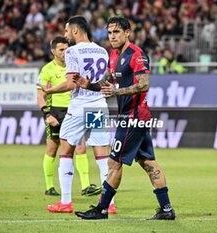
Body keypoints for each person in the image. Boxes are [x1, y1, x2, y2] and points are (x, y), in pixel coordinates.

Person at [73, 16, 176, 220]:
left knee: (114, 163)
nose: (112, 36)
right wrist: (89, 85)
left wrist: (117, 92)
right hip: (133, 116)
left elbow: (144, 84)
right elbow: (106, 81)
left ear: (127, 32)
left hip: (134, 116)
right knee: (149, 164)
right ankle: (166, 210)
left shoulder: (136, 54)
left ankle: (102, 209)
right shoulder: (113, 55)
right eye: (110, 32)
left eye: (117, 32)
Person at [38, 16, 116, 214]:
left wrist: (50, 91)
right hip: (99, 105)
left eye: (66, 31)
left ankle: (65, 202)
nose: (65, 35)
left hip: (79, 105)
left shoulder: (72, 51)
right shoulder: (102, 50)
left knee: (66, 150)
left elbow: (72, 84)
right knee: (102, 155)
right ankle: (110, 204)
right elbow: (106, 80)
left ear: (75, 31)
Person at [37, 36, 102, 197]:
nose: (65, 52)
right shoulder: (47, 70)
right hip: (55, 111)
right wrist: (47, 114)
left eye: (67, 49)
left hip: (73, 109)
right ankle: (49, 186)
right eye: (61, 50)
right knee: (52, 149)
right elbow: (40, 95)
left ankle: (86, 186)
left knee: (81, 147)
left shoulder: (74, 66)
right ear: (53, 51)